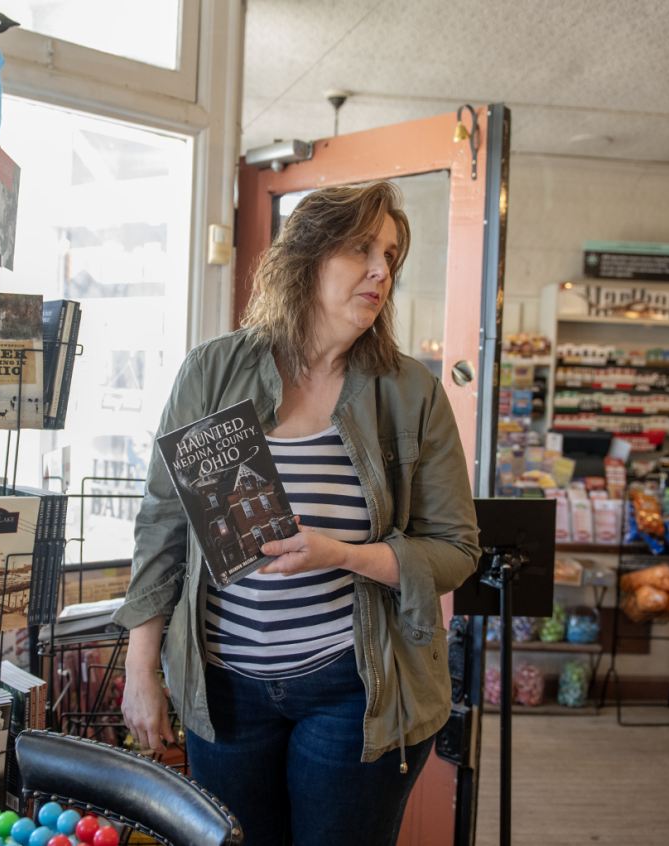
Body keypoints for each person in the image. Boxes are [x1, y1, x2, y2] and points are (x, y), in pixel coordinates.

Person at [114, 182, 480, 846]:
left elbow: (456, 548)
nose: (382, 271)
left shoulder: (411, 393)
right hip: (221, 691)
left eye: (391, 256)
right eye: (362, 248)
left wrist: (343, 554)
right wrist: (141, 670)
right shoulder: (212, 371)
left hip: (354, 687)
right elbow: (163, 525)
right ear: (307, 256)